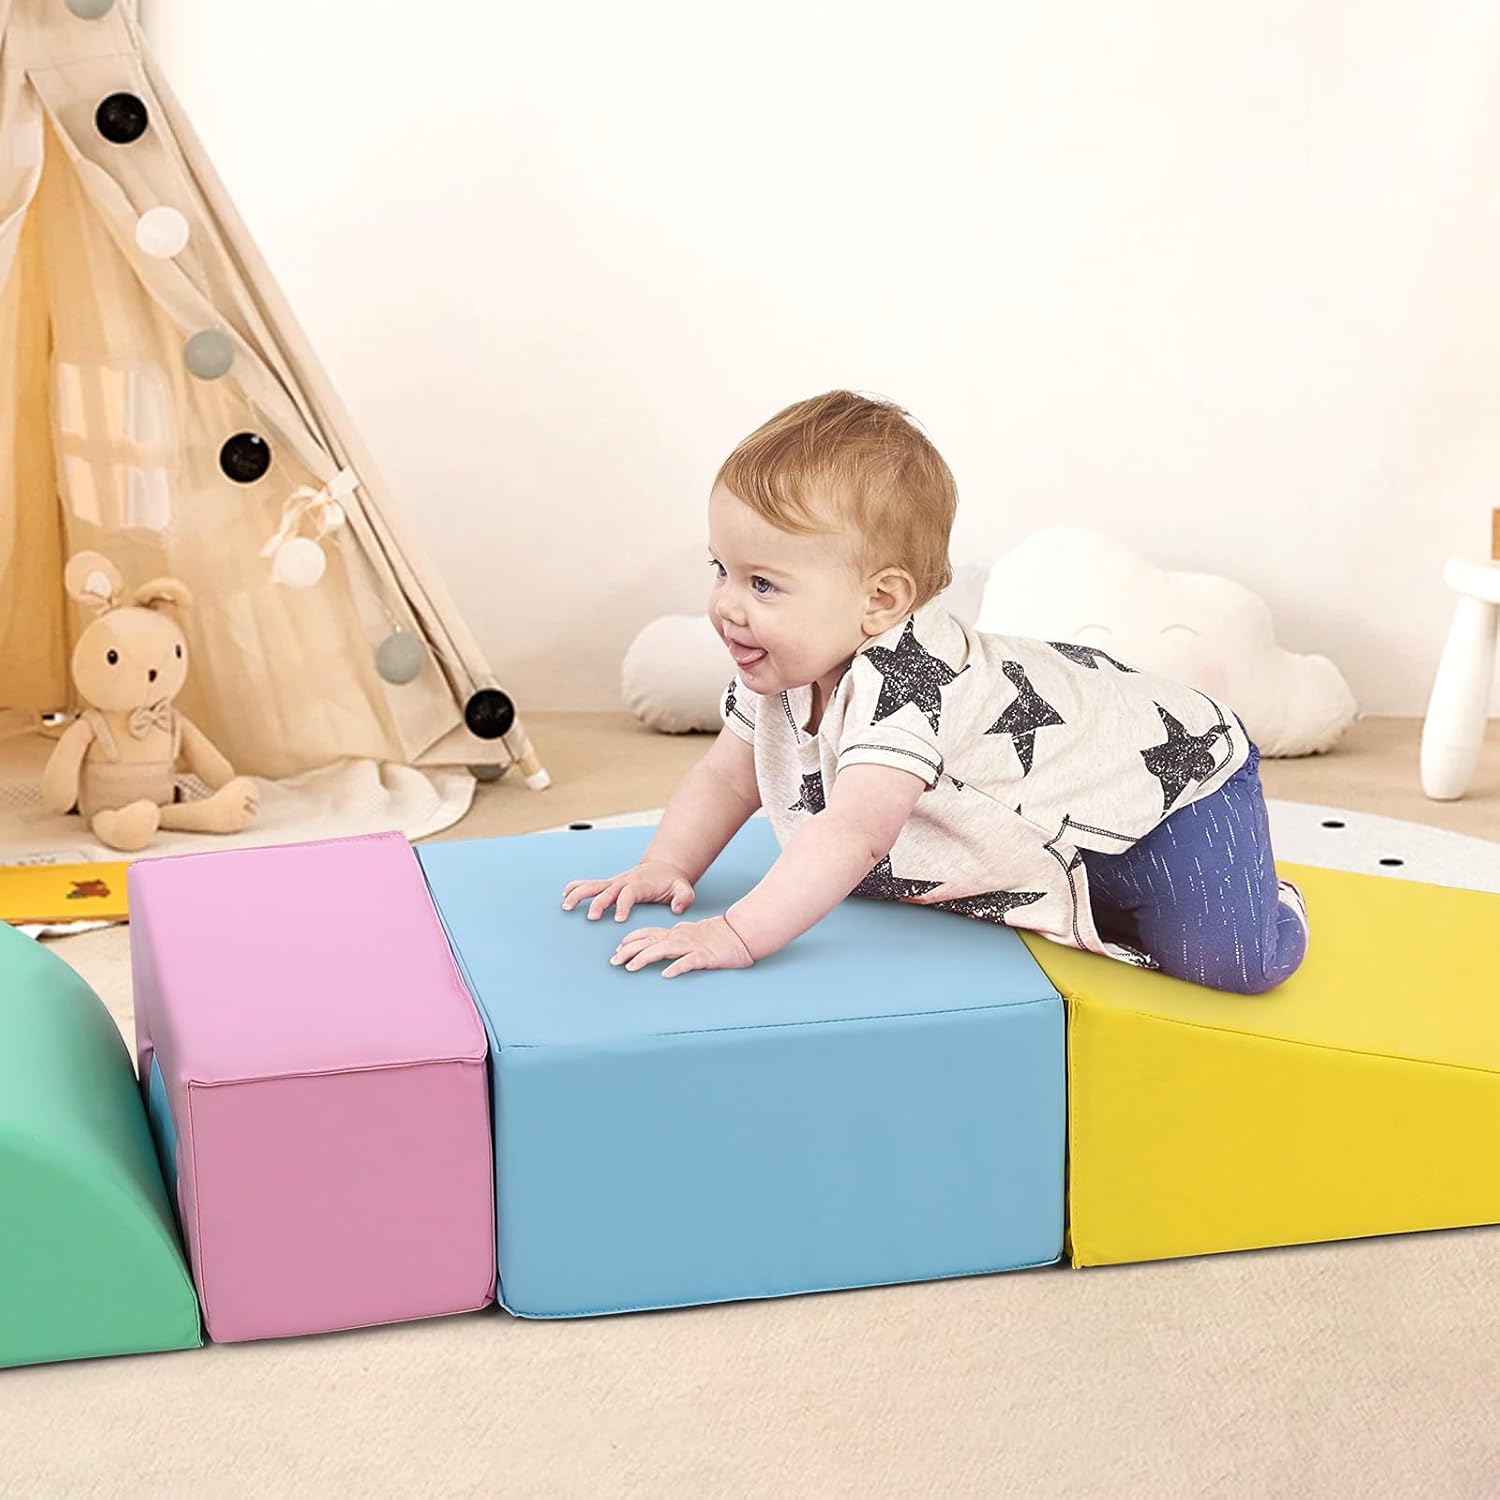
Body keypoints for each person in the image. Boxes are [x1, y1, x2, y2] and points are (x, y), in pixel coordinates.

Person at [562, 390, 1308, 992]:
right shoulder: (783, 663)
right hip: (1057, 816)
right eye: (720, 569)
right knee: (1067, 906)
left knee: (1230, 964)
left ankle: (1272, 900)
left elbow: (853, 834)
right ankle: (1099, 885)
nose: (727, 604)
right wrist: (668, 864)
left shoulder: (908, 683)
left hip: (1177, 784)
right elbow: (728, 778)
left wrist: (736, 933)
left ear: (880, 601)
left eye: (763, 584)